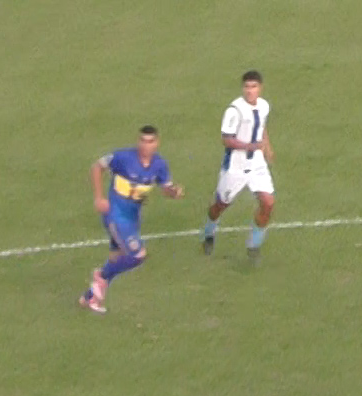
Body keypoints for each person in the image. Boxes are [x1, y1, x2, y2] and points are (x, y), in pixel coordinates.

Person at [79, 125, 182, 314]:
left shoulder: (159, 165)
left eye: (150, 141)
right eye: (142, 140)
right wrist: (99, 197)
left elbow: (166, 188)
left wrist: (173, 192)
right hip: (115, 214)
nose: (146, 145)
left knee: (116, 258)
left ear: (157, 143)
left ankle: (88, 298)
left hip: (132, 217)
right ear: (138, 141)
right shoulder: (123, 158)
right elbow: (97, 167)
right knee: (137, 256)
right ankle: (100, 276)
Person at [202, 71, 276, 260]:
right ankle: (209, 231)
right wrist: (251, 146)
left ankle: (253, 245)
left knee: (268, 202)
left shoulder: (264, 105)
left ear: (260, 88)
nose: (250, 91)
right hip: (235, 167)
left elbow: (261, 126)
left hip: (257, 164)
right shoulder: (234, 110)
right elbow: (226, 140)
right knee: (221, 205)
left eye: (253, 87)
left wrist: (267, 147)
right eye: (247, 87)